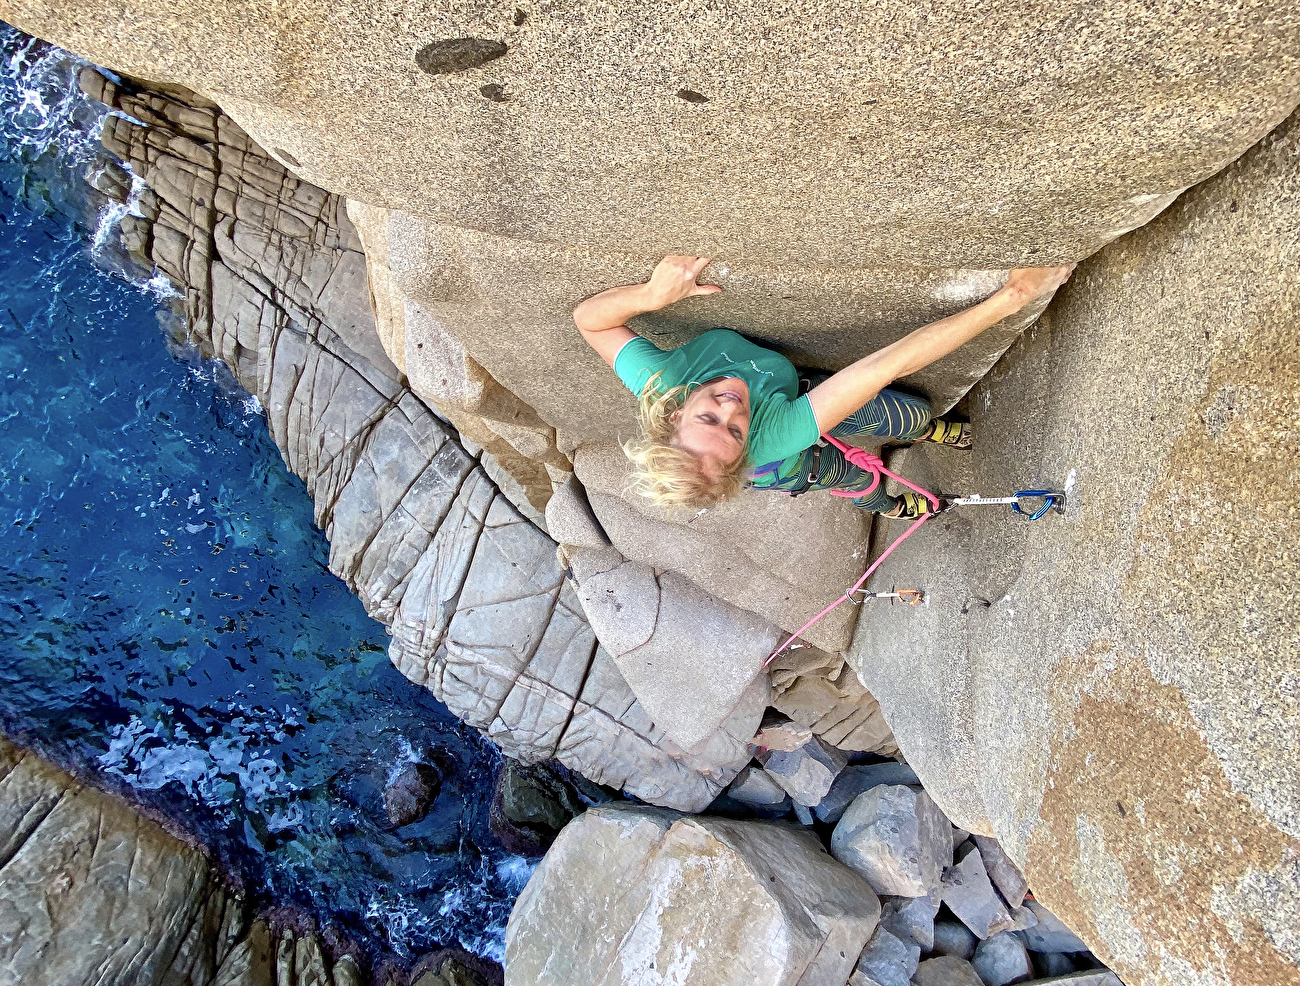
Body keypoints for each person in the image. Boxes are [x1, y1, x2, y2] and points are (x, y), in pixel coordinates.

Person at [573, 256, 1075, 516]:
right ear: (745, 450)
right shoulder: (775, 437)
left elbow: (589, 321)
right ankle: (895, 506)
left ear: (674, 414)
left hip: (793, 396)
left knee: (908, 415)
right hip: (792, 455)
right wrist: (1013, 297)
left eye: (709, 418)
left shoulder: (662, 383)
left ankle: (925, 430)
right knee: (853, 479)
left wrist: (652, 295)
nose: (730, 406)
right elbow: (886, 362)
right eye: (733, 432)